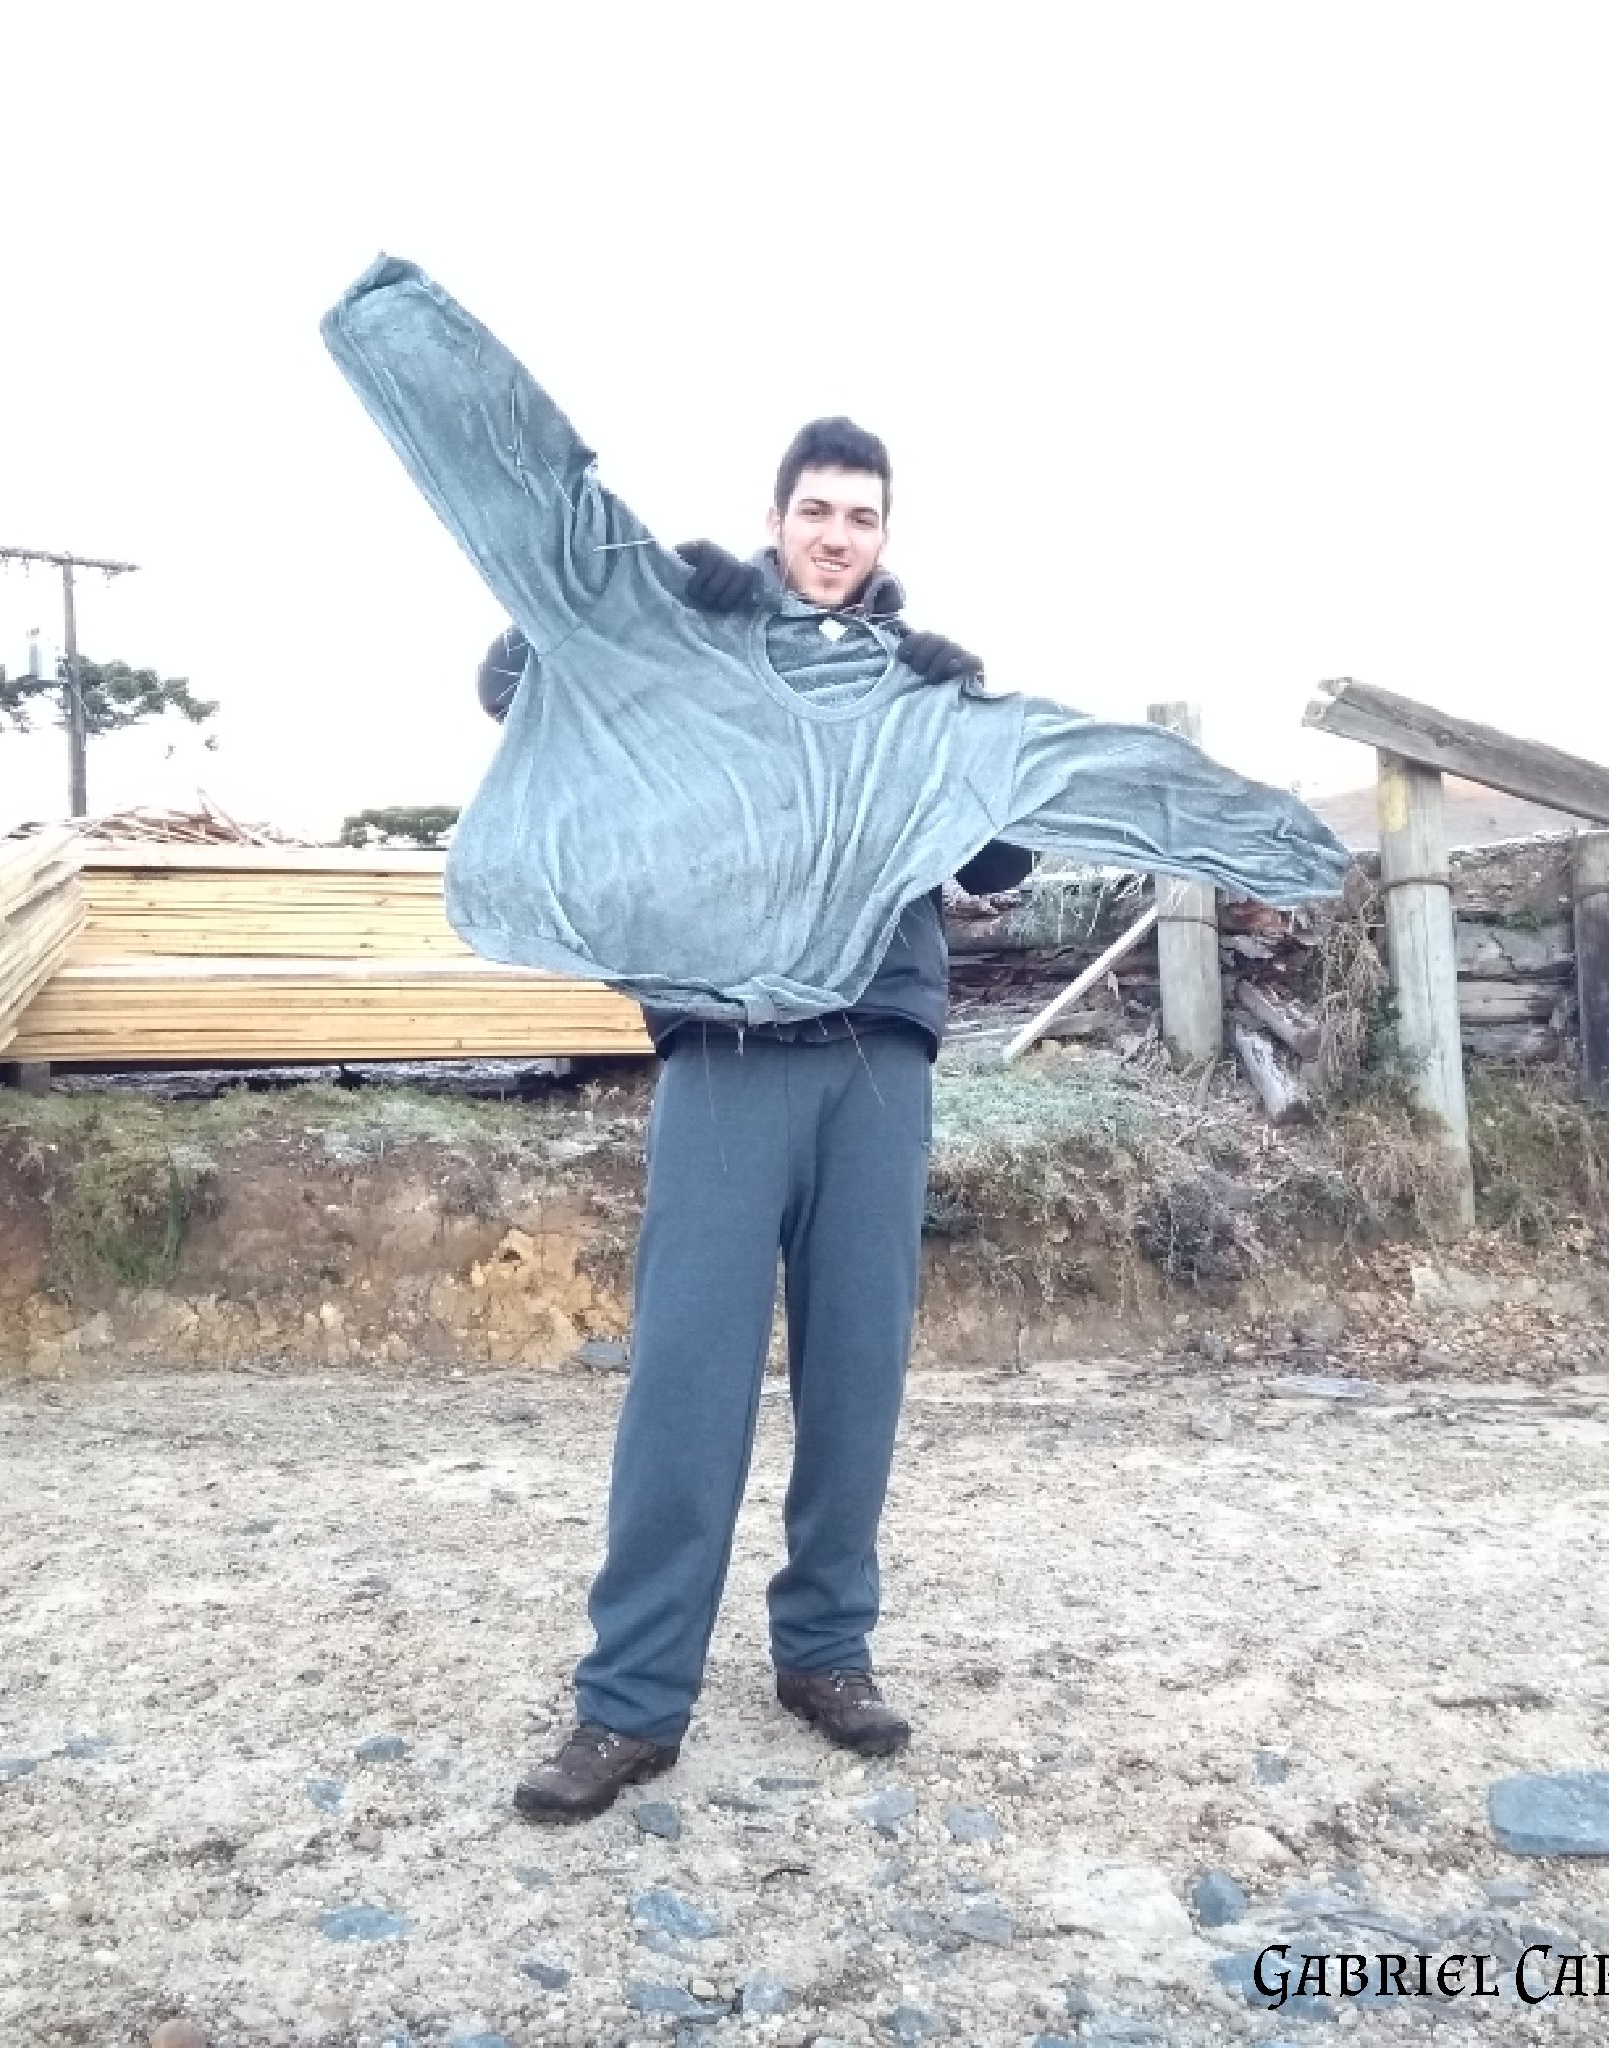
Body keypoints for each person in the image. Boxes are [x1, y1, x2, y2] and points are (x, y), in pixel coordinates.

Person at [478, 418, 1034, 1821]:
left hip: (876, 1053)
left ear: (884, 536)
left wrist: (964, 714)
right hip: (725, 1047)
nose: (837, 536)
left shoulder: (911, 683)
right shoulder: (701, 647)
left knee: (858, 1372)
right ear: (778, 518)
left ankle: (826, 1653)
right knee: (686, 1376)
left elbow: (1003, 859)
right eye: (817, 511)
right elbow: (514, 675)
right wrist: (646, 610)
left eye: (862, 516)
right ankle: (630, 1702)